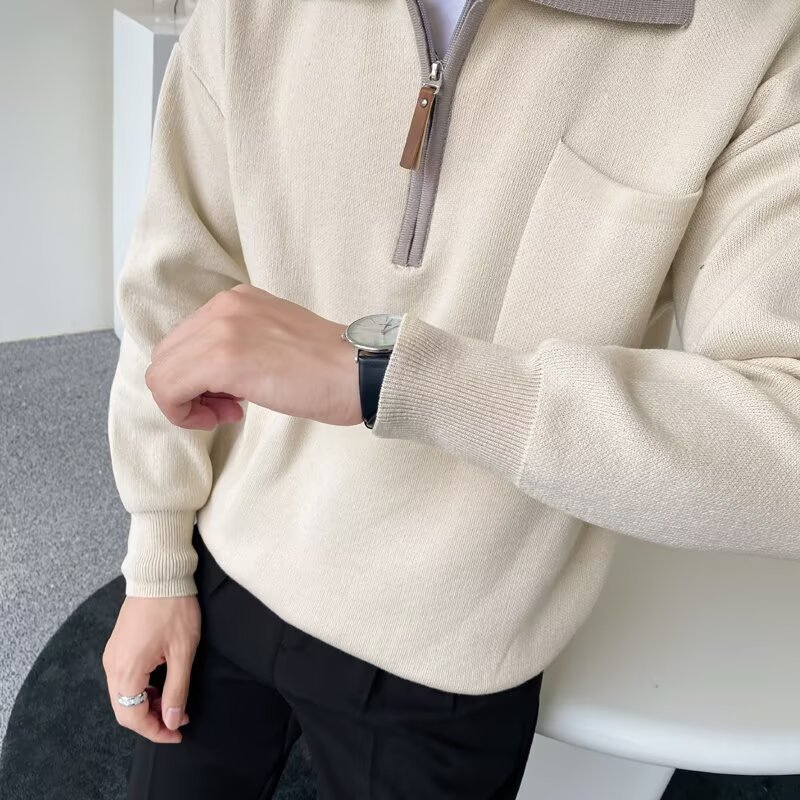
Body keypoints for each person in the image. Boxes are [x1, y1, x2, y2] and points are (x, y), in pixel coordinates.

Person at [101, 0, 800, 796]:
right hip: (227, 557)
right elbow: (175, 293)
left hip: (454, 644)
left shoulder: (746, 34)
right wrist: (154, 558)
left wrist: (389, 375)